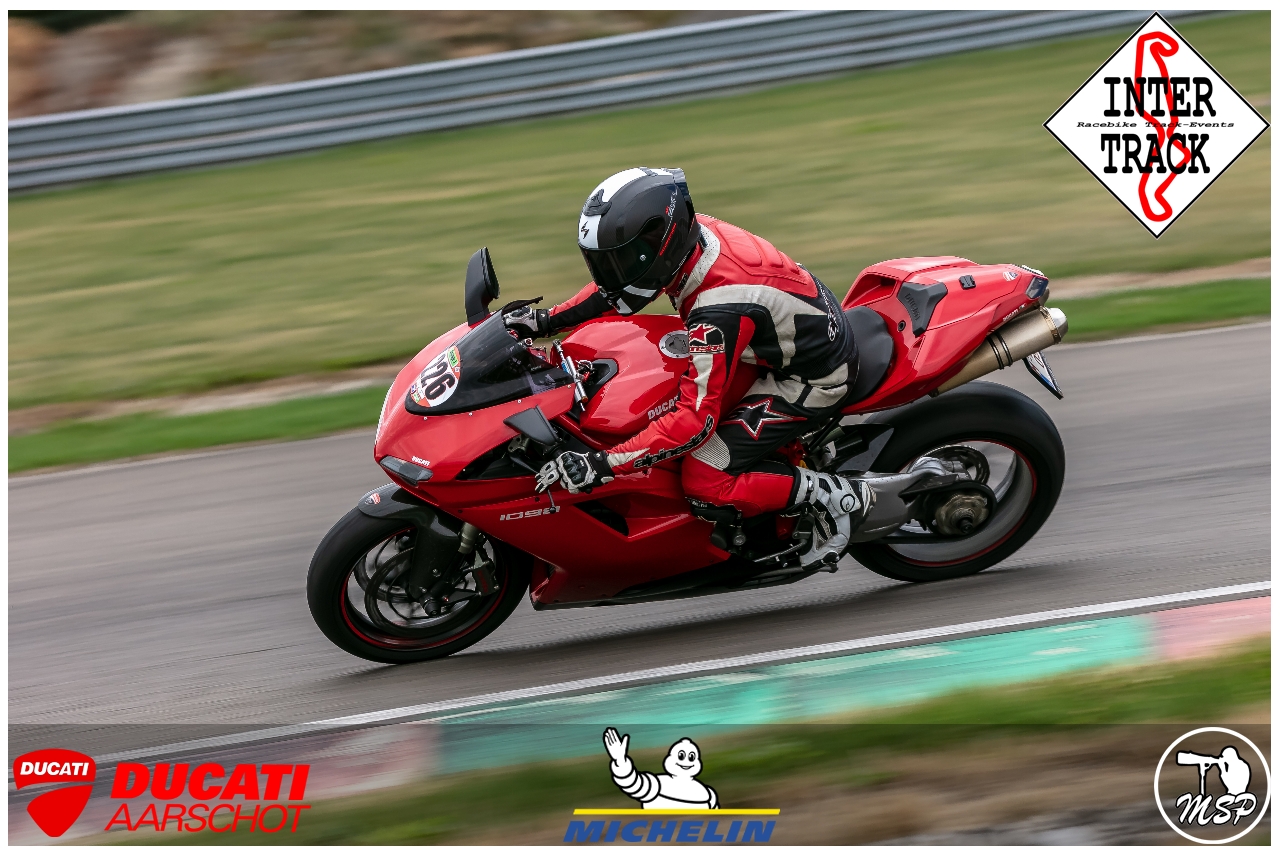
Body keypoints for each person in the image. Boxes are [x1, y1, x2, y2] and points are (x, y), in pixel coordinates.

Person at [505, 167, 872, 567]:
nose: (613, 273)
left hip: (810, 377)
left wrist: (604, 463)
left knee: (705, 477)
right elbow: (616, 290)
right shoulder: (688, 238)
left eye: (622, 260)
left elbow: (695, 422)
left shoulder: (716, 309)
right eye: (605, 262)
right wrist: (545, 321)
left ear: (661, 244)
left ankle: (836, 495)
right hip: (772, 340)